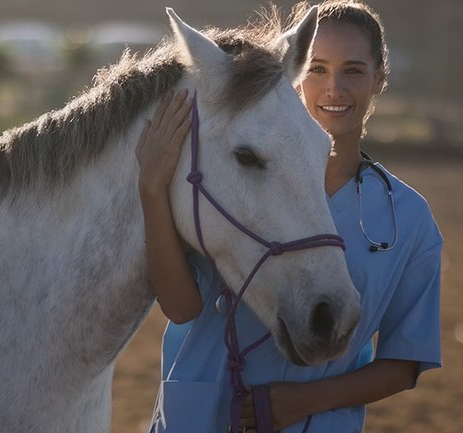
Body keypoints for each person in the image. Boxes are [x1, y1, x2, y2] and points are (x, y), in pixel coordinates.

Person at [137, 2, 444, 432]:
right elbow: (180, 306)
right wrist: (152, 188)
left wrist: (304, 401)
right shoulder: (233, 178)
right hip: (197, 418)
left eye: (353, 70)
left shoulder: (408, 219)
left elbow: (404, 362)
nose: (334, 88)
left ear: (378, 79)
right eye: (317, 69)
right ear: (297, 74)